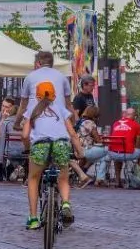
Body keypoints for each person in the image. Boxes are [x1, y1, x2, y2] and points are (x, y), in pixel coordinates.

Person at [16, 51, 82, 230]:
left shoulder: (30, 80)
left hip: (39, 142)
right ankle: (66, 204)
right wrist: (71, 123)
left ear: (37, 63)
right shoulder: (62, 79)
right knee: (63, 177)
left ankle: (32, 218)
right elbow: (69, 104)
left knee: (33, 177)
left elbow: (23, 108)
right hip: (61, 138)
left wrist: (18, 125)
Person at [107, 108, 140, 185]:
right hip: (127, 154)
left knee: (117, 153)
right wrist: (136, 148)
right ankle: (139, 178)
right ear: (134, 116)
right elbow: (138, 144)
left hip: (113, 154)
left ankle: (117, 181)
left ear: (125, 114)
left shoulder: (115, 123)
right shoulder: (136, 125)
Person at [71, 105, 105, 187]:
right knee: (106, 152)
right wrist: (103, 140)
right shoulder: (90, 123)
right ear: (94, 115)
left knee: (100, 156)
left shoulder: (80, 121)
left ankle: (83, 172)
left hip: (76, 149)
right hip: (84, 150)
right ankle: (99, 179)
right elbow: (98, 140)